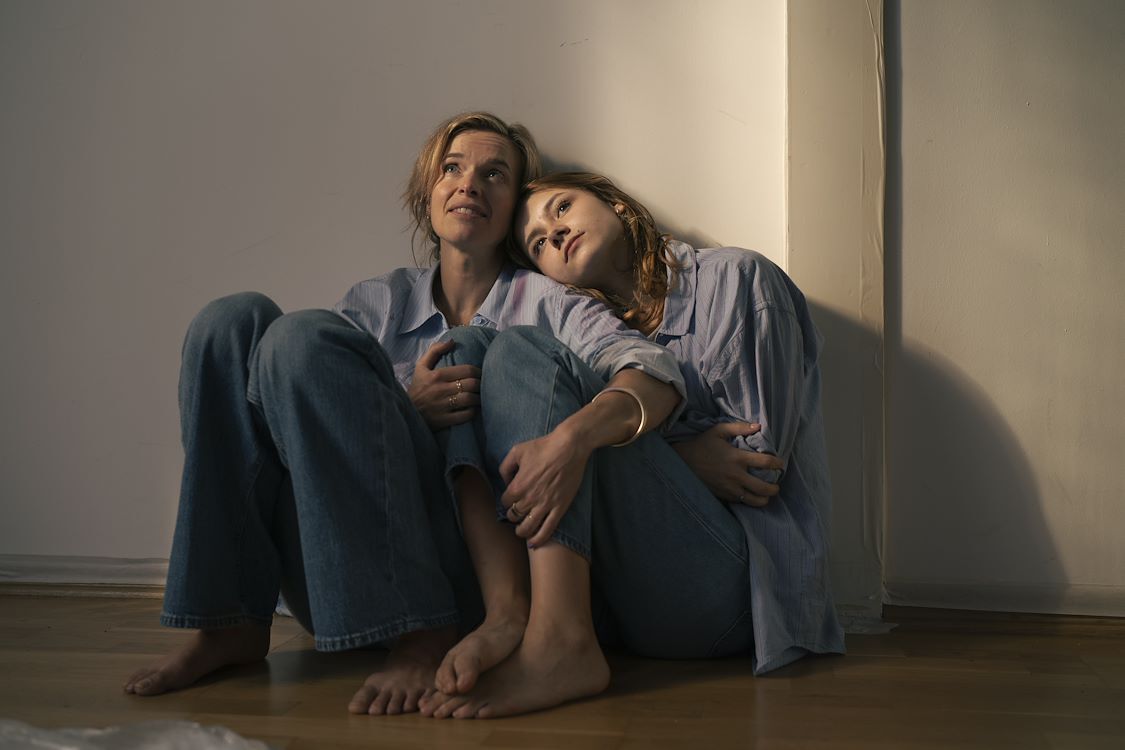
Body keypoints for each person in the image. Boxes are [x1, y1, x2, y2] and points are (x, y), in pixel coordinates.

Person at [123, 116, 686, 718]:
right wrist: (405, 410)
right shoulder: (379, 302)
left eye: (494, 174)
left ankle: (423, 632)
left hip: (474, 585)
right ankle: (229, 621)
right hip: (347, 574)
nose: (469, 184)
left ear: (514, 209)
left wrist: (580, 439)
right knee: (232, 323)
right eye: (452, 169)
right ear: (428, 194)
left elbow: (651, 368)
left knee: (300, 337)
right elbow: (303, 412)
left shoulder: (549, 302)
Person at [419, 170, 844, 718]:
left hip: (737, 594)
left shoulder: (737, 279)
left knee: (526, 352)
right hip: (625, 602)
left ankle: (558, 644)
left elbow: (754, 469)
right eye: (538, 244)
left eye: (562, 208)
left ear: (616, 205)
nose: (555, 233)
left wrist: (594, 442)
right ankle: (521, 618)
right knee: (479, 344)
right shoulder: (591, 331)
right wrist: (681, 450)